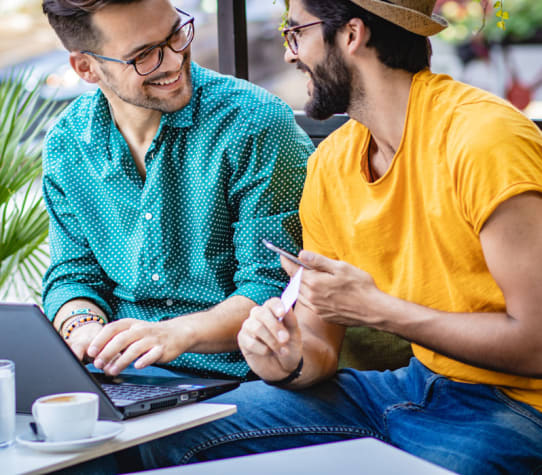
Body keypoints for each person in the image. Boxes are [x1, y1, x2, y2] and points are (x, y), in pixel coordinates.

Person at [135, 0, 542, 473]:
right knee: (171, 436)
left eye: (297, 33)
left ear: (350, 35)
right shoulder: (332, 166)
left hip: (518, 406)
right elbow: (318, 341)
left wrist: (381, 311)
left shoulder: (484, 140)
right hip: (408, 389)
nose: (290, 54)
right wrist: (286, 360)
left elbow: (535, 342)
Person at [40, 0, 313, 380]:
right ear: (86, 67)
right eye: (144, 55)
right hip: (119, 377)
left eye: (175, 35)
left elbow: (274, 288)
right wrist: (83, 328)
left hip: (235, 382)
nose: (172, 61)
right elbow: (73, 274)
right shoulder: (68, 144)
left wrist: (173, 335)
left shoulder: (253, 124)